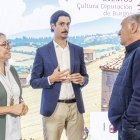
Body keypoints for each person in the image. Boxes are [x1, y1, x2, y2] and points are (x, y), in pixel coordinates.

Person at [30, 10, 89, 140]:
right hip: (53, 108)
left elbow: (86, 76)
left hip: (76, 108)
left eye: (68, 24)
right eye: (61, 24)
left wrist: (82, 80)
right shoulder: (42, 52)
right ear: (52, 26)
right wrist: (51, 79)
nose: (66, 28)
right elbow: (33, 81)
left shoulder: (78, 50)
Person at [108, 13, 140, 140]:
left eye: (121, 27)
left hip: (133, 130)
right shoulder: (133, 52)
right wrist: (119, 121)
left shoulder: (138, 53)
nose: (119, 33)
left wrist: (127, 124)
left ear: (133, 27)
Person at [0, 33, 28, 140]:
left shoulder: (12, 70)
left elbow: (17, 97)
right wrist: (11, 109)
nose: (9, 46)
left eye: (8, 43)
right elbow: (12, 108)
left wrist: (22, 106)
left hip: (16, 134)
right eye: (4, 44)